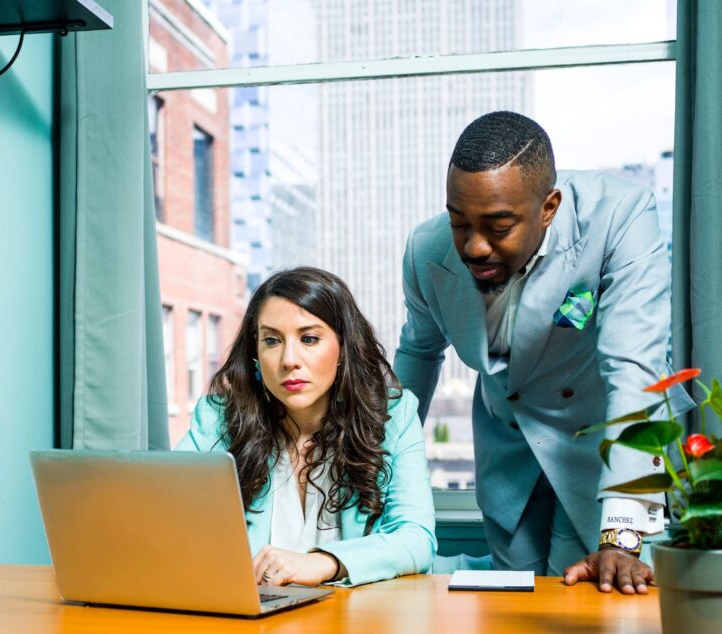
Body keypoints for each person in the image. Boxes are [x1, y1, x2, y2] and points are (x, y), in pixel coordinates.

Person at [395, 111, 692, 593]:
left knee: (608, 605)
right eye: (458, 222)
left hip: (609, 447)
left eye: (498, 226)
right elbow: (418, 356)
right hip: (509, 452)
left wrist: (620, 535)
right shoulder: (425, 250)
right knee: (516, 609)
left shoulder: (620, 215)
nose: (474, 246)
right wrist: (373, 467)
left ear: (548, 207)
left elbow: (634, 371)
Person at [177, 267, 436, 587]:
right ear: (255, 355)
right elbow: (165, 517)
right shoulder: (218, 421)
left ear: (344, 347)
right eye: (271, 340)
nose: (289, 360)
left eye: (309, 338)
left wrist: (326, 562)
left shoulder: (393, 415)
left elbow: (416, 538)